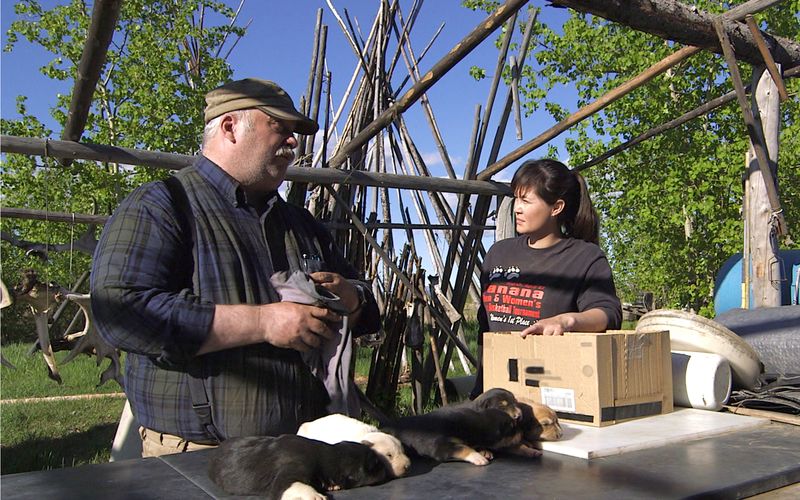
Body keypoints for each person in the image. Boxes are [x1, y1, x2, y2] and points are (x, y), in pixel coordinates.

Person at [91, 78, 380, 457]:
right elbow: (121, 312)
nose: (293, 142)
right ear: (230, 127)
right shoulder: (162, 206)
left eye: (295, 133)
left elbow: (371, 313)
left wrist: (351, 298)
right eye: (280, 127)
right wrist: (263, 322)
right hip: (199, 456)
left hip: (304, 452)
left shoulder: (301, 224)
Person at [471, 159, 622, 397]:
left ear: (556, 207)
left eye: (526, 201)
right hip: (494, 391)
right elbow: (484, 327)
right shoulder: (499, 253)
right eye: (516, 199)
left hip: (552, 391)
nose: (517, 208)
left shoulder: (584, 257)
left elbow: (608, 313)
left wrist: (566, 321)